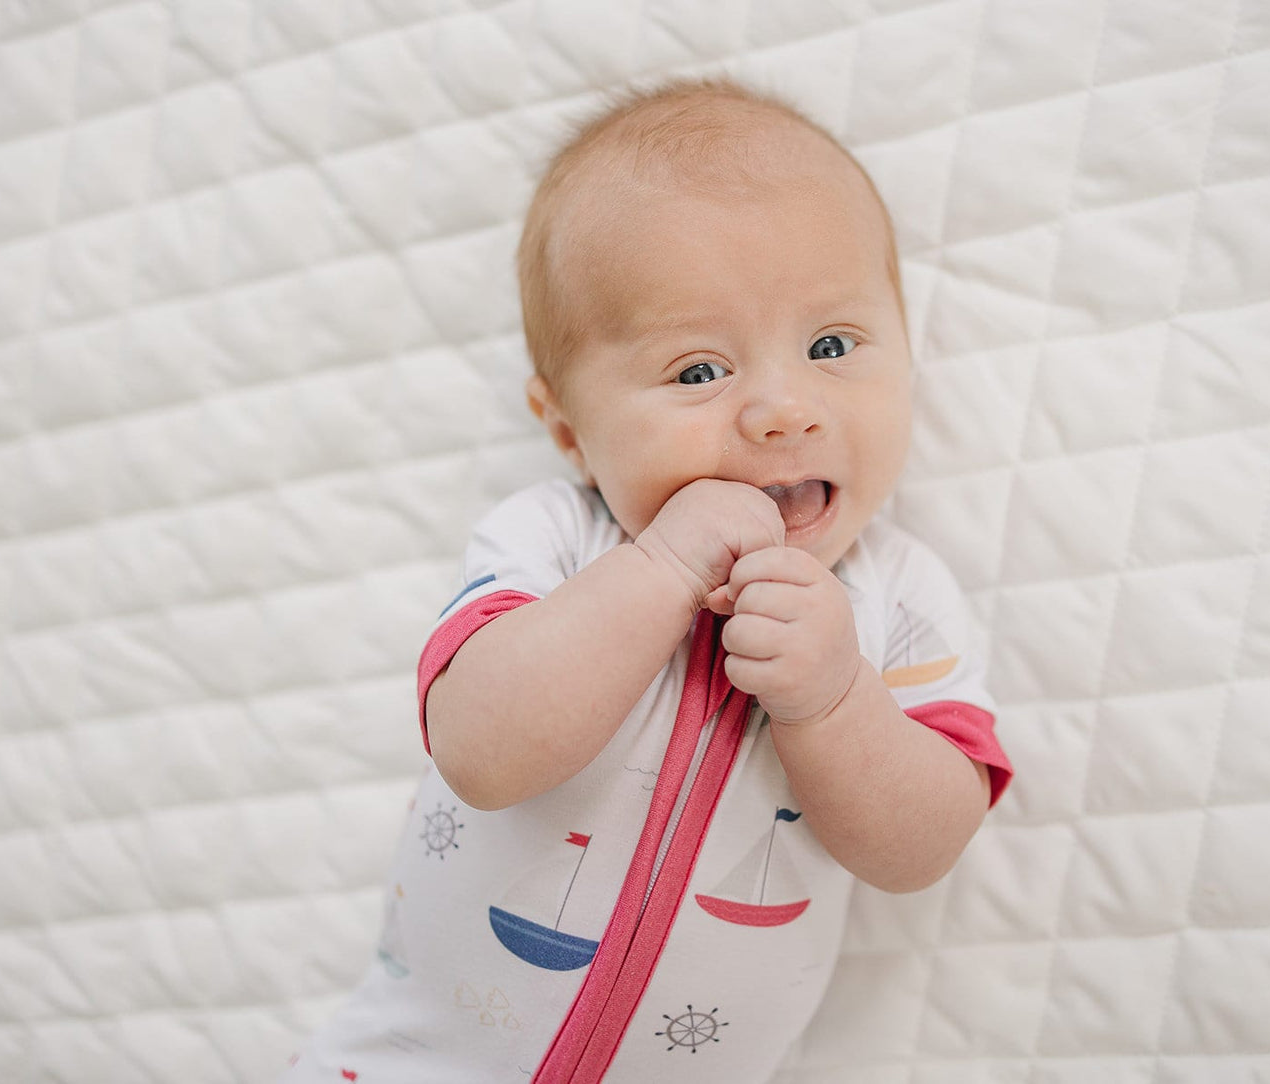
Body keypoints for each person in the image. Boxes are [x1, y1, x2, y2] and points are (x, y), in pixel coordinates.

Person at [283, 76, 1012, 1083]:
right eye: (698, 371)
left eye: (831, 346)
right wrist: (662, 565)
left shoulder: (896, 599)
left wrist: (833, 697)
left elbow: (919, 848)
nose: (781, 410)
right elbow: (478, 753)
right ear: (569, 430)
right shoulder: (552, 540)